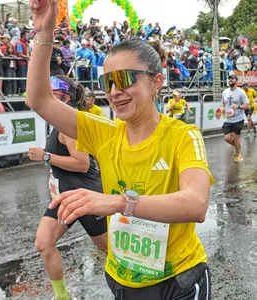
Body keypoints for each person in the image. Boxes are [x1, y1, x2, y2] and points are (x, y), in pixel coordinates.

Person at [26, 2, 214, 299]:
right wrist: (44, 31)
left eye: (125, 78)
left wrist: (118, 203)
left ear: (156, 82)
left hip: (177, 281)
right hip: (121, 279)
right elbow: (38, 99)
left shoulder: (183, 135)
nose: (114, 91)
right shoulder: (103, 132)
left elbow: (196, 204)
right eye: (108, 82)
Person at [29, 75, 107, 300]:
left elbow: (82, 164)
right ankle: (63, 297)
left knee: (110, 252)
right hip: (65, 197)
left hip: (86, 196)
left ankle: (138, 288)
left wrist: (44, 156)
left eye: (51, 96)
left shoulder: (69, 127)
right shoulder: (59, 123)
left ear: (63, 98)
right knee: (44, 243)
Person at [221, 74, 249, 163]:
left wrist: (238, 107)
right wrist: (222, 108)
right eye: (229, 79)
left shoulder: (241, 92)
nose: (230, 80)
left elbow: (247, 106)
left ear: (236, 81)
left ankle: (238, 155)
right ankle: (238, 145)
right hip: (228, 119)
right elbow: (222, 104)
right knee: (227, 138)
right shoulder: (224, 92)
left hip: (238, 119)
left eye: (232, 78)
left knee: (235, 136)